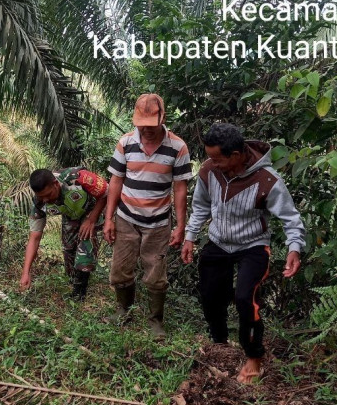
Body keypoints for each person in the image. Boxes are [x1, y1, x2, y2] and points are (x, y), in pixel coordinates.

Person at [181, 122, 305, 384]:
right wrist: (190, 236)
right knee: (211, 294)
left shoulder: (267, 180)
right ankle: (220, 342)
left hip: (253, 245)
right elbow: (201, 206)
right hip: (218, 241)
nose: (211, 163)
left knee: (245, 298)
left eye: (217, 158)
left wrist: (295, 248)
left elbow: (290, 218)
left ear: (235, 156)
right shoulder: (208, 171)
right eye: (209, 157)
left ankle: (253, 357)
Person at [104, 94, 192, 339]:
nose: (146, 129)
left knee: (155, 274)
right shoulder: (125, 143)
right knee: (120, 269)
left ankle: (155, 320)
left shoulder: (178, 147)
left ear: (162, 118)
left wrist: (181, 225)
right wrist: (109, 218)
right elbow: (116, 180)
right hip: (126, 217)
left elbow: (180, 188)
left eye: (151, 124)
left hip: (158, 222)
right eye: (141, 123)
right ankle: (124, 310)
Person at [20, 167, 109, 301]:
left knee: (85, 244)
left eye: (48, 195)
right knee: (69, 250)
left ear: (56, 184)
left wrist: (91, 219)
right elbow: (34, 237)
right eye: (41, 197)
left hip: (93, 209)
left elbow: (106, 192)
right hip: (71, 214)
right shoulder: (39, 202)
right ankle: (74, 282)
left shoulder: (77, 178)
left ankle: (80, 292)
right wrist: (26, 272)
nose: (45, 200)